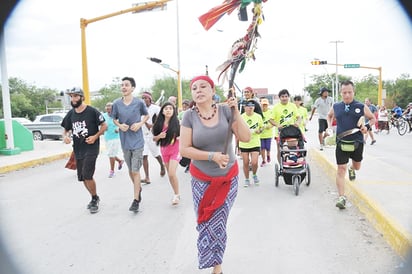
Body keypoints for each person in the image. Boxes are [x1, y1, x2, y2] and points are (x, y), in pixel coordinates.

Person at [180, 75, 250, 274]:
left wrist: (237, 112)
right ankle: (214, 263)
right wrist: (211, 156)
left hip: (228, 179)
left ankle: (217, 268)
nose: (198, 90)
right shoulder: (189, 116)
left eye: (203, 86)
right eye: (194, 88)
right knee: (206, 221)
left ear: (212, 91)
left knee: (219, 222)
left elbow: (245, 137)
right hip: (202, 180)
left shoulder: (226, 111)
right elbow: (184, 149)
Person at [326, 80, 376, 209]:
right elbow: (329, 116)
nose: (347, 95)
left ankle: (352, 169)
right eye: (344, 92)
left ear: (353, 92)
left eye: (349, 92)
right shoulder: (336, 106)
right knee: (340, 169)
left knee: (357, 166)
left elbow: (373, 118)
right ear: (341, 93)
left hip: (357, 142)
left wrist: (366, 126)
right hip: (341, 142)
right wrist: (329, 127)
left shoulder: (360, 106)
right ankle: (342, 197)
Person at [61, 87, 107, 214]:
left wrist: (95, 136)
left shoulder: (92, 111)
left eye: (76, 96)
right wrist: (65, 136)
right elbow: (65, 129)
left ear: (82, 97)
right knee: (82, 177)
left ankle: (94, 199)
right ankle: (94, 197)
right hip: (78, 149)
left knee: (87, 175)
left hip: (91, 148)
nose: (73, 99)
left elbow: (104, 125)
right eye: (71, 96)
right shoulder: (71, 114)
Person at [111, 77, 149, 212]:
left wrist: (139, 124)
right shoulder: (116, 103)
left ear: (132, 88)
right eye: (122, 85)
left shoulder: (139, 102)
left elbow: (146, 115)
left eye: (126, 85)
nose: (123, 87)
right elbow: (114, 119)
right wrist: (120, 125)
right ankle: (138, 188)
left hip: (137, 141)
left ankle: (135, 199)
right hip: (125, 141)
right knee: (130, 170)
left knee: (135, 170)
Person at [152, 102, 181, 205]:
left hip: (176, 151)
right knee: (170, 175)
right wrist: (159, 136)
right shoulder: (158, 124)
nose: (168, 110)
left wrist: (179, 137)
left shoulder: (177, 123)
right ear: (162, 111)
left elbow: (183, 135)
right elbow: (154, 138)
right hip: (164, 151)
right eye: (166, 109)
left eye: (170, 108)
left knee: (172, 173)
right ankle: (176, 193)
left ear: (173, 111)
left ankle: (177, 195)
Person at [269, 89, 301, 165]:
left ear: (288, 97)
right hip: (280, 132)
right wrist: (277, 125)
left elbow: (299, 117)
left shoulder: (292, 106)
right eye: (282, 96)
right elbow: (270, 119)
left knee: (293, 148)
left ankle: (293, 160)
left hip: (291, 131)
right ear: (279, 98)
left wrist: (297, 123)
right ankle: (281, 166)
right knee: (280, 150)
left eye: (286, 96)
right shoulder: (276, 107)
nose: (284, 98)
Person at [141, 91, 166, 184]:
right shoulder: (139, 109)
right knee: (144, 155)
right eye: (142, 98)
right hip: (142, 135)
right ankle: (147, 177)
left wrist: (153, 126)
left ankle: (162, 165)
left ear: (150, 99)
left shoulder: (156, 108)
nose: (144, 100)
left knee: (156, 154)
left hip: (152, 135)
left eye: (146, 98)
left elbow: (162, 118)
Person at [239, 99, 264, 187]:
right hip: (244, 143)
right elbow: (237, 130)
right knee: (245, 162)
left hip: (255, 142)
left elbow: (262, 128)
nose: (250, 108)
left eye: (252, 106)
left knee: (254, 162)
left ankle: (254, 174)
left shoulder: (258, 116)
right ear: (244, 107)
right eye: (248, 106)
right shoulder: (241, 117)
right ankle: (246, 179)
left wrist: (259, 131)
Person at [102, 102, 124, 178]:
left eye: (110, 106)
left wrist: (118, 128)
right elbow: (100, 124)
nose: (108, 108)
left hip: (115, 138)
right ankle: (120, 161)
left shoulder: (116, 116)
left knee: (111, 154)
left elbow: (122, 124)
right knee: (110, 153)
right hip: (107, 137)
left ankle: (112, 171)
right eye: (107, 106)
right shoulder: (103, 116)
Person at [259, 98, 274, 166]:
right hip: (261, 134)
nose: (264, 106)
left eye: (265, 105)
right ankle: (263, 160)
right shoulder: (259, 113)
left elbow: (274, 122)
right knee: (262, 148)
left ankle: (268, 155)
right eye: (263, 105)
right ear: (261, 105)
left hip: (268, 134)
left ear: (268, 105)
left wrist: (270, 126)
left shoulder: (270, 112)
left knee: (267, 147)